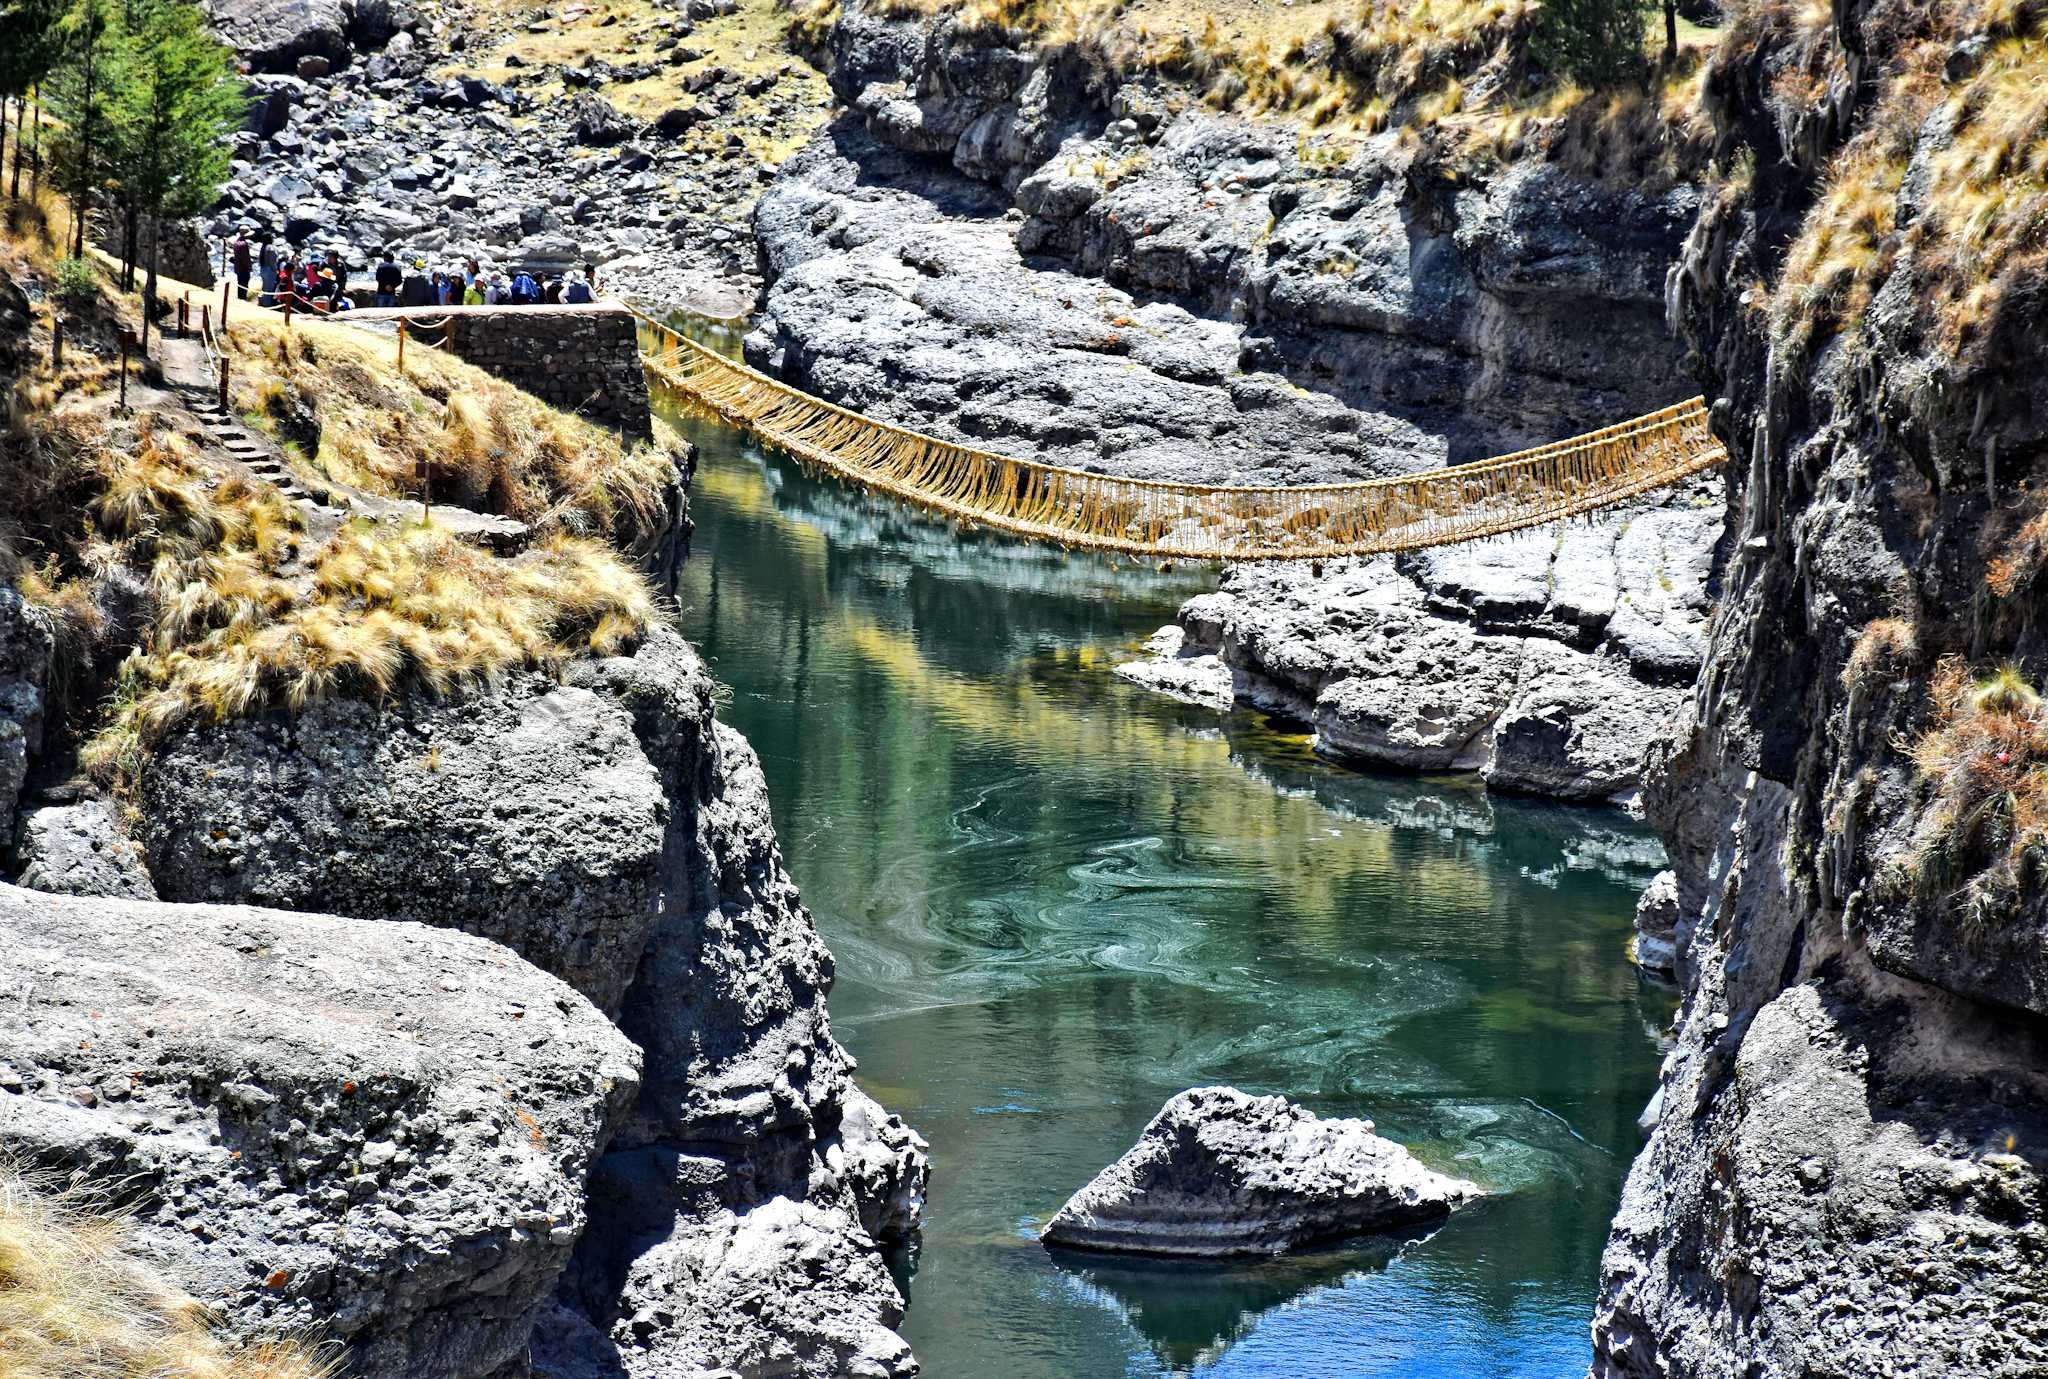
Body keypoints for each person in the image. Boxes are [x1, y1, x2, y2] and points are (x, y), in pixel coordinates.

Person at [231, 230, 253, 300]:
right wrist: (249, 267)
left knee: (240, 284)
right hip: (244, 269)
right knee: (244, 285)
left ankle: (240, 298)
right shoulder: (243, 244)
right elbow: (245, 258)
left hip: (238, 268)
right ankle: (243, 299)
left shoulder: (236, 242)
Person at [258, 237, 279, 304]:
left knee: (264, 288)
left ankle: (262, 301)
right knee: (269, 289)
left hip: (263, 269)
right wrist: (275, 269)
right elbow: (272, 261)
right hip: (269, 270)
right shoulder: (270, 247)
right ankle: (267, 304)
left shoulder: (263, 247)